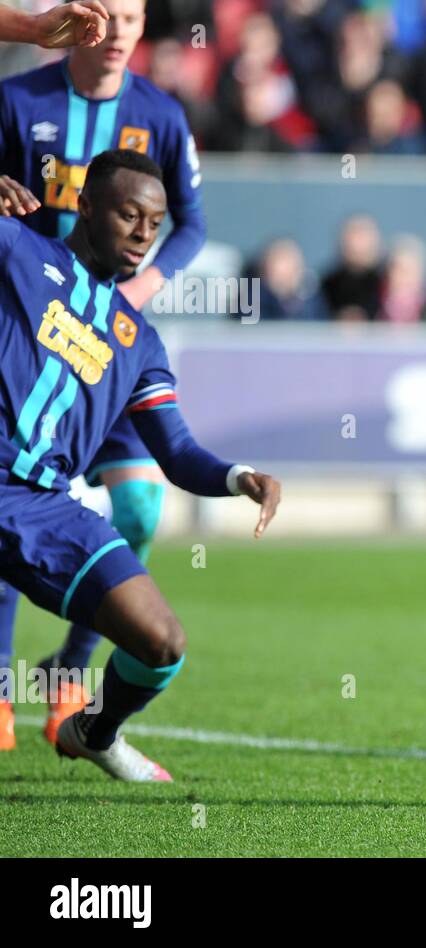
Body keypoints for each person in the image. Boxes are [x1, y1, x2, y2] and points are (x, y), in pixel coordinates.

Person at [0, 149, 280, 779]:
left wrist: (240, 478)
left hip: (46, 507)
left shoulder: (137, 340)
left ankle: (95, 731)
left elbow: (177, 454)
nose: (142, 235)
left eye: (154, 224)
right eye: (129, 215)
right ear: (87, 206)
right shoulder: (19, 251)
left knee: (163, 644)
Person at [0, 0, 208, 750]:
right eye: (105, 14)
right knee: (16, 485)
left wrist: (142, 291)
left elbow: (194, 222)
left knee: (143, 513)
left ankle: (70, 675)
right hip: (30, 326)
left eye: (133, 16)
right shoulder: (22, 99)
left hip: (109, 342)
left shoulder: (160, 113)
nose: (119, 30)